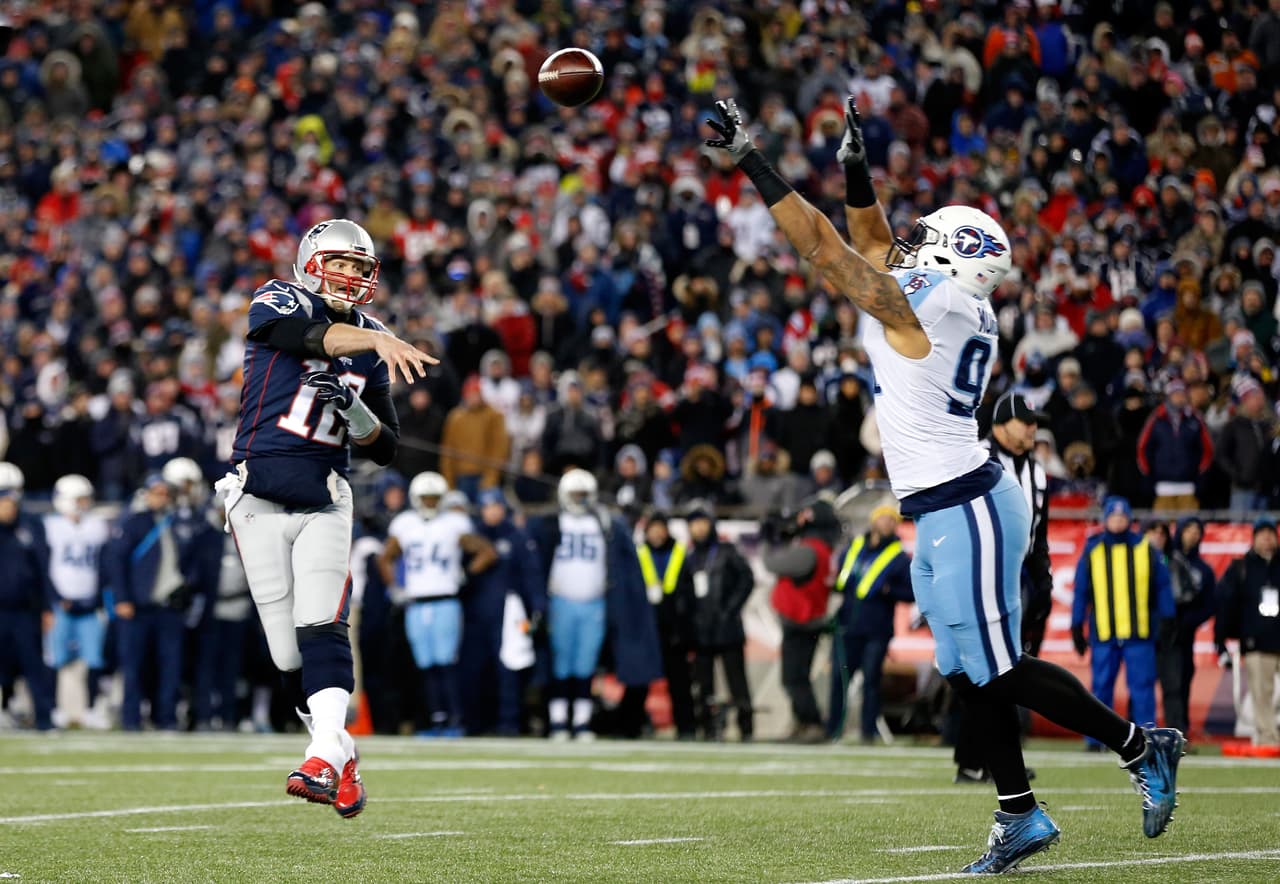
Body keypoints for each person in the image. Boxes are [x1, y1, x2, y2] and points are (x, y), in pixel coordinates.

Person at [705, 96, 1185, 871]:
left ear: (954, 259)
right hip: (939, 505)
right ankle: (1019, 813)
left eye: (927, 240)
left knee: (998, 665)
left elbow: (830, 253)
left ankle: (1141, 745)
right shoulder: (950, 297)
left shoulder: (937, 302)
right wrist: (858, 171)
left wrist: (752, 160)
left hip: (966, 503)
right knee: (965, 668)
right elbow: (869, 238)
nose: (909, 244)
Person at [216, 218, 435, 819]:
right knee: (287, 658)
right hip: (255, 493)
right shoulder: (280, 297)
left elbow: (385, 446)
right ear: (312, 262)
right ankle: (342, 750)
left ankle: (320, 758)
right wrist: (369, 342)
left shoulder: (373, 338)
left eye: (362, 268)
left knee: (322, 626)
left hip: (322, 496)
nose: (352, 276)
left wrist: (356, 409)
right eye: (341, 263)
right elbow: (300, 334)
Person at [531, 470, 661, 740]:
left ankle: (581, 720)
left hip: (594, 603)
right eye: (574, 494)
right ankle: (557, 719)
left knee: (585, 664)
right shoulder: (551, 523)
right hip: (561, 601)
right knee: (560, 662)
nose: (579, 500)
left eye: (583, 495)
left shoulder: (605, 524)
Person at [379, 471, 496, 737]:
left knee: (446, 664)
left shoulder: (454, 523)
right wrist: (395, 588)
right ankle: (436, 719)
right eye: (426, 498)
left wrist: (466, 573)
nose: (430, 503)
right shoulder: (405, 524)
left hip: (445, 600)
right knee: (425, 665)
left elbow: (487, 551)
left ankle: (454, 720)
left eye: (434, 498)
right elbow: (384, 558)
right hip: (417, 603)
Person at [1071, 497, 1176, 748]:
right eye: (1113, 517)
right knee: (1100, 690)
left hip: (1138, 634)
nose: (1118, 522)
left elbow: (1162, 587)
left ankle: (1147, 739)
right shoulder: (1093, 549)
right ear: (1105, 519)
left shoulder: (1145, 548)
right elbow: (1081, 591)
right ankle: (1095, 740)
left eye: (1122, 517)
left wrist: (1167, 618)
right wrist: (1076, 625)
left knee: (1142, 689)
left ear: (1129, 520)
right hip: (1104, 634)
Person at [107, 473, 194, 732]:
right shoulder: (133, 522)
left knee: (170, 666)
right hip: (138, 606)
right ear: (145, 494)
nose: (162, 497)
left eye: (165, 493)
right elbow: (116, 563)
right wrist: (122, 598)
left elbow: (190, 560)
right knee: (133, 666)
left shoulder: (178, 522)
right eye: (157, 492)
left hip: (169, 606)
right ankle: (131, 719)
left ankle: (165, 717)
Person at [461, 488, 545, 736]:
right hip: (476, 613)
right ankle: (476, 723)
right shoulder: (472, 536)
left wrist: (538, 605)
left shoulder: (516, 536)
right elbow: (462, 577)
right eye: (487, 506)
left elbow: (531, 574)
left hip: (508, 614)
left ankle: (509, 723)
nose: (492, 511)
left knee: (509, 668)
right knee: (476, 668)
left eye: (496, 506)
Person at [827, 503, 913, 743]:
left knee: (871, 681)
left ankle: (868, 731)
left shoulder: (899, 557)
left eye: (891, 520)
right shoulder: (853, 548)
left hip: (877, 628)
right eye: (883, 518)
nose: (887, 523)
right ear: (874, 520)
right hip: (847, 625)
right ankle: (833, 729)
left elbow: (910, 592)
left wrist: (889, 591)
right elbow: (839, 581)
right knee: (839, 679)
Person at [763, 499, 836, 744]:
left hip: (800, 621)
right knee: (797, 677)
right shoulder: (822, 549)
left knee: (794, 678)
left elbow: (771, 563)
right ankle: (803, 723)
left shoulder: (810, 549)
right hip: (808, 621)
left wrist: (768, 540)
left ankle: (812, 723)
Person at [43, 474, 111, 729]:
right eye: (80, 499)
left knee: (94, 659)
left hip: (89, 602)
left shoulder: (97, 525)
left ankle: (91, 709)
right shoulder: (50, 525)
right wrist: (55, 597)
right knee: (54, 658)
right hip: (61, 602)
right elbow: (44, 566)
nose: (85, 503)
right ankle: (54, 709)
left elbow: (104, 566)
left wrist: (98, 597)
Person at [684, 500, 755, 742]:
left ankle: (746, 728)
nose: (699, 529)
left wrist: (730, 609)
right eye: (694, 524)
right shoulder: (690, 557)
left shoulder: (726, 551)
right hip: (701, 629)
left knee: (737, 682)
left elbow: (746, 579)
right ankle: (708, 727)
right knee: (704, 685)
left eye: (702, 523)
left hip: (727, 627)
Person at [1214, 517, 1280, 753]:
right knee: (1261, 695)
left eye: (1270, 533)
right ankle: (1268, 740)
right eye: (1261, 533)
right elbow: (1225, 604)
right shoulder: (1241, 568)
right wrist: (1220, 641)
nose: (1267, 538)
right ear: (1253, 538)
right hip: (1256, 642)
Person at [0, 462, 54, 731]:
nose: (8, 503)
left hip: (25, 609)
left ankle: (44, 718)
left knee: (34, 665)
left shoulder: (32, 526)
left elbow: (43, 568)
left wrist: (47, 607)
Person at [637, 509, 697, 740]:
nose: (657, 533)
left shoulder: (680, 552)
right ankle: (634, 725)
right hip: (647, 626)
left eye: (660, 527)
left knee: (679, 681)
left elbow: (688, 591)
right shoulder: (640, 552)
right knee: (640, 680)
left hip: (675, 627)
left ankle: (686, 727)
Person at [1161, 517, 1217, 736]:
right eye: (1189, 530)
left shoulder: (1203, 569)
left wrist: (1187, 623)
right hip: (1157, 632)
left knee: (1181, 681)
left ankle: (1178, 731)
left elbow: (1210, 603)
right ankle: (1134, 728)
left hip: (1183, 636)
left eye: (1197, 531)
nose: (1193, 535)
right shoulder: (1163, 559)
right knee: (1144, 681)